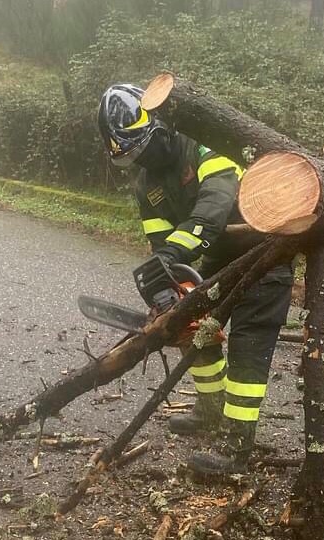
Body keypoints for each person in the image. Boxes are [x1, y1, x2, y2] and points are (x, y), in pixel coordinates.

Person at [97, 83, 293, 475]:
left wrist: (173, 255)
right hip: (219, 255)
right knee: (193, 322)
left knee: (247, 341)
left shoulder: (203, 145)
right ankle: (211, 408)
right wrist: (164, 287)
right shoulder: (146, 184)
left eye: (143, 149)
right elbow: (159, 242)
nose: (142, 160)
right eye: (132, 156)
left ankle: (238, 444)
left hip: (265, 247)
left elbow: (215, 207)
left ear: (159, 128)